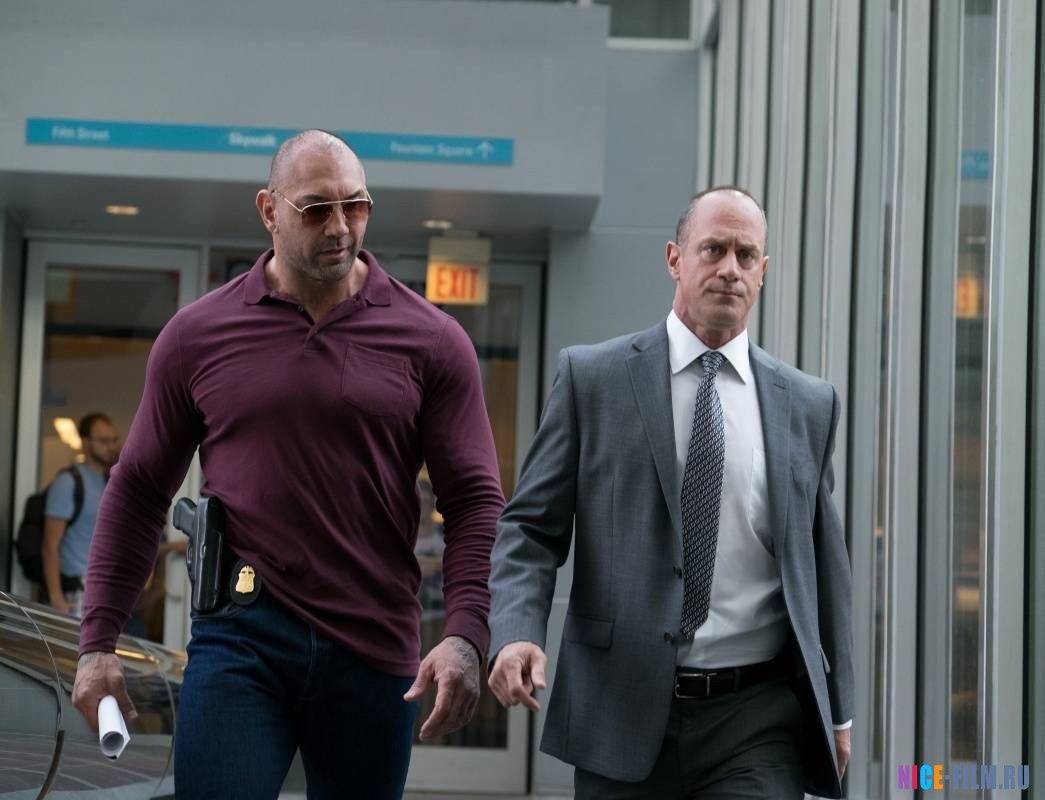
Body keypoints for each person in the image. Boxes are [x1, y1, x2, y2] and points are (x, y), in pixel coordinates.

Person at [71, 129, 504, 799]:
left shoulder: (432, 340)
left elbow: (474, 500)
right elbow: (138, 490)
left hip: (373, 645)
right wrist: (98, 641)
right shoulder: (197, 335)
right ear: (268, 210)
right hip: (241, 639)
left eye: (355, 205)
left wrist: (466, 634)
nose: (340, 226)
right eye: (316, 208)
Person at [487, 186, 853, 799]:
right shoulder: (593, 379)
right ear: (674, 259)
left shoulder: (808, 404)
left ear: (763, 271)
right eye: (714, 249)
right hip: (620, 705)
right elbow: (529, 529)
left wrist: (838, 709)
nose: (730, 269)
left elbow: (823, 565)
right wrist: (517, 630)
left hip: (757, 720)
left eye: (746, 255)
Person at [42, 412, 119, 616]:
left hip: (102, 591)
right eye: (104, 441)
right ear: (85, 442)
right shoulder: (68, 482)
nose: (111, 446)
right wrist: (56, 598)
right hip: (75, 592)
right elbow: (50, 545)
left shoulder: (110, 482)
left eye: (114, 440)